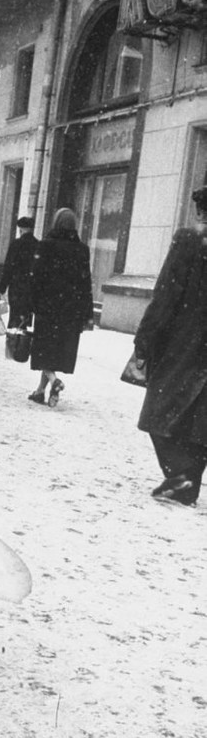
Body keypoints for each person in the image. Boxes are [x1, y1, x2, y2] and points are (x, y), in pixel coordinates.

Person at [133, 184, 207, 506]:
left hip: (185, 340)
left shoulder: (189, 240)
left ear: (199, 209)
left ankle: (179, 473)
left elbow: (166, 293)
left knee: (159, 406)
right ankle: (187, 483)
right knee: (199, 416)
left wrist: (145, 337)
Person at [27, 208, 93, 407]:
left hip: (48, 307)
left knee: (43, 349)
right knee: (57, 351)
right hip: (71, 310)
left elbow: (36, 278)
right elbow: (85, 283)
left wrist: (30, 303)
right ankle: (40, 391)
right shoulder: (82, 250)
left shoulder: (45, 246)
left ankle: (54, 380)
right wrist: (87, 313)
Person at [0, 216, 37, 328]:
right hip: (31, 288)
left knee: (14, 315)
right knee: (26, 317)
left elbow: (8, 267)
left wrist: (2, 287)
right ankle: (23, 335)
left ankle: (13, 335)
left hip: (17, 286)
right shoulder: (38, 245)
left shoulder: (16, 244)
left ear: (21, 229)